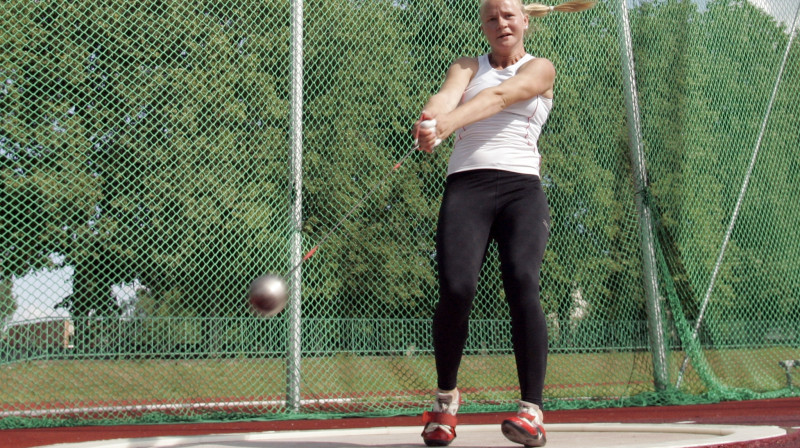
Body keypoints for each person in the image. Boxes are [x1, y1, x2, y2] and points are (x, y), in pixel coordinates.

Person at [414, 0, 595, 446]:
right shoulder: (466, 65)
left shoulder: (541, 68)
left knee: (521, 281)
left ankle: (531, 410)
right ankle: (445, 401)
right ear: (483, 26)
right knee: (456, 289)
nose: (501, 24)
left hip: (521, 191)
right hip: (466, 188)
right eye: (492, 18)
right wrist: (430, 118)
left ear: (526, 21)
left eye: (509, 15)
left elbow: (501, 98)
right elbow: (444, 97)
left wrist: (448, 124)